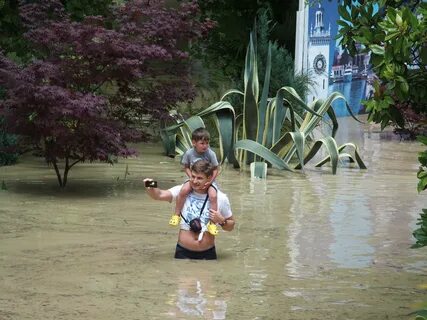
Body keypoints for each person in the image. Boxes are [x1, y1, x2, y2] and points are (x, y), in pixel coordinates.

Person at [144, 160, 235, 260]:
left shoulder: (220, 198)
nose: (195, 181)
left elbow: (230, 226)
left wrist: (222, 221)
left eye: (199, 178)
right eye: (193, 176)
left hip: (208, 253)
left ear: (209, 178)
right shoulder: (182, 191)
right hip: (183, 252)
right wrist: (150, 184)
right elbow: (159, 195)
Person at [169, 127, 220, 237]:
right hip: (194, 178)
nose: (205, 146)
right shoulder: (189, 153)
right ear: (194, 143)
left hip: (208, 180)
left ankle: (212, 224)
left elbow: (216, 169)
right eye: (202, 143)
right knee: (184, 190)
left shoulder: (211, 154)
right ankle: (176, 215)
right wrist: (192, 178)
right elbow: (186, 167)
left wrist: (210, 182)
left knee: (213, 196)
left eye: (207, 143)